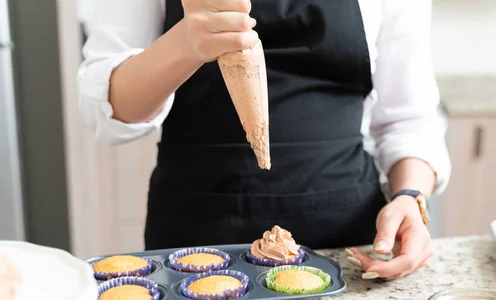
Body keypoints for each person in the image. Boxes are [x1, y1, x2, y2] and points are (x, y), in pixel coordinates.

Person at [77, 0, 451, 280]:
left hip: (346, 237)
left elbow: (409, 119)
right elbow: (109, 115)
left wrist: (410, 198)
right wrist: (183, 44)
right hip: (195, 234)